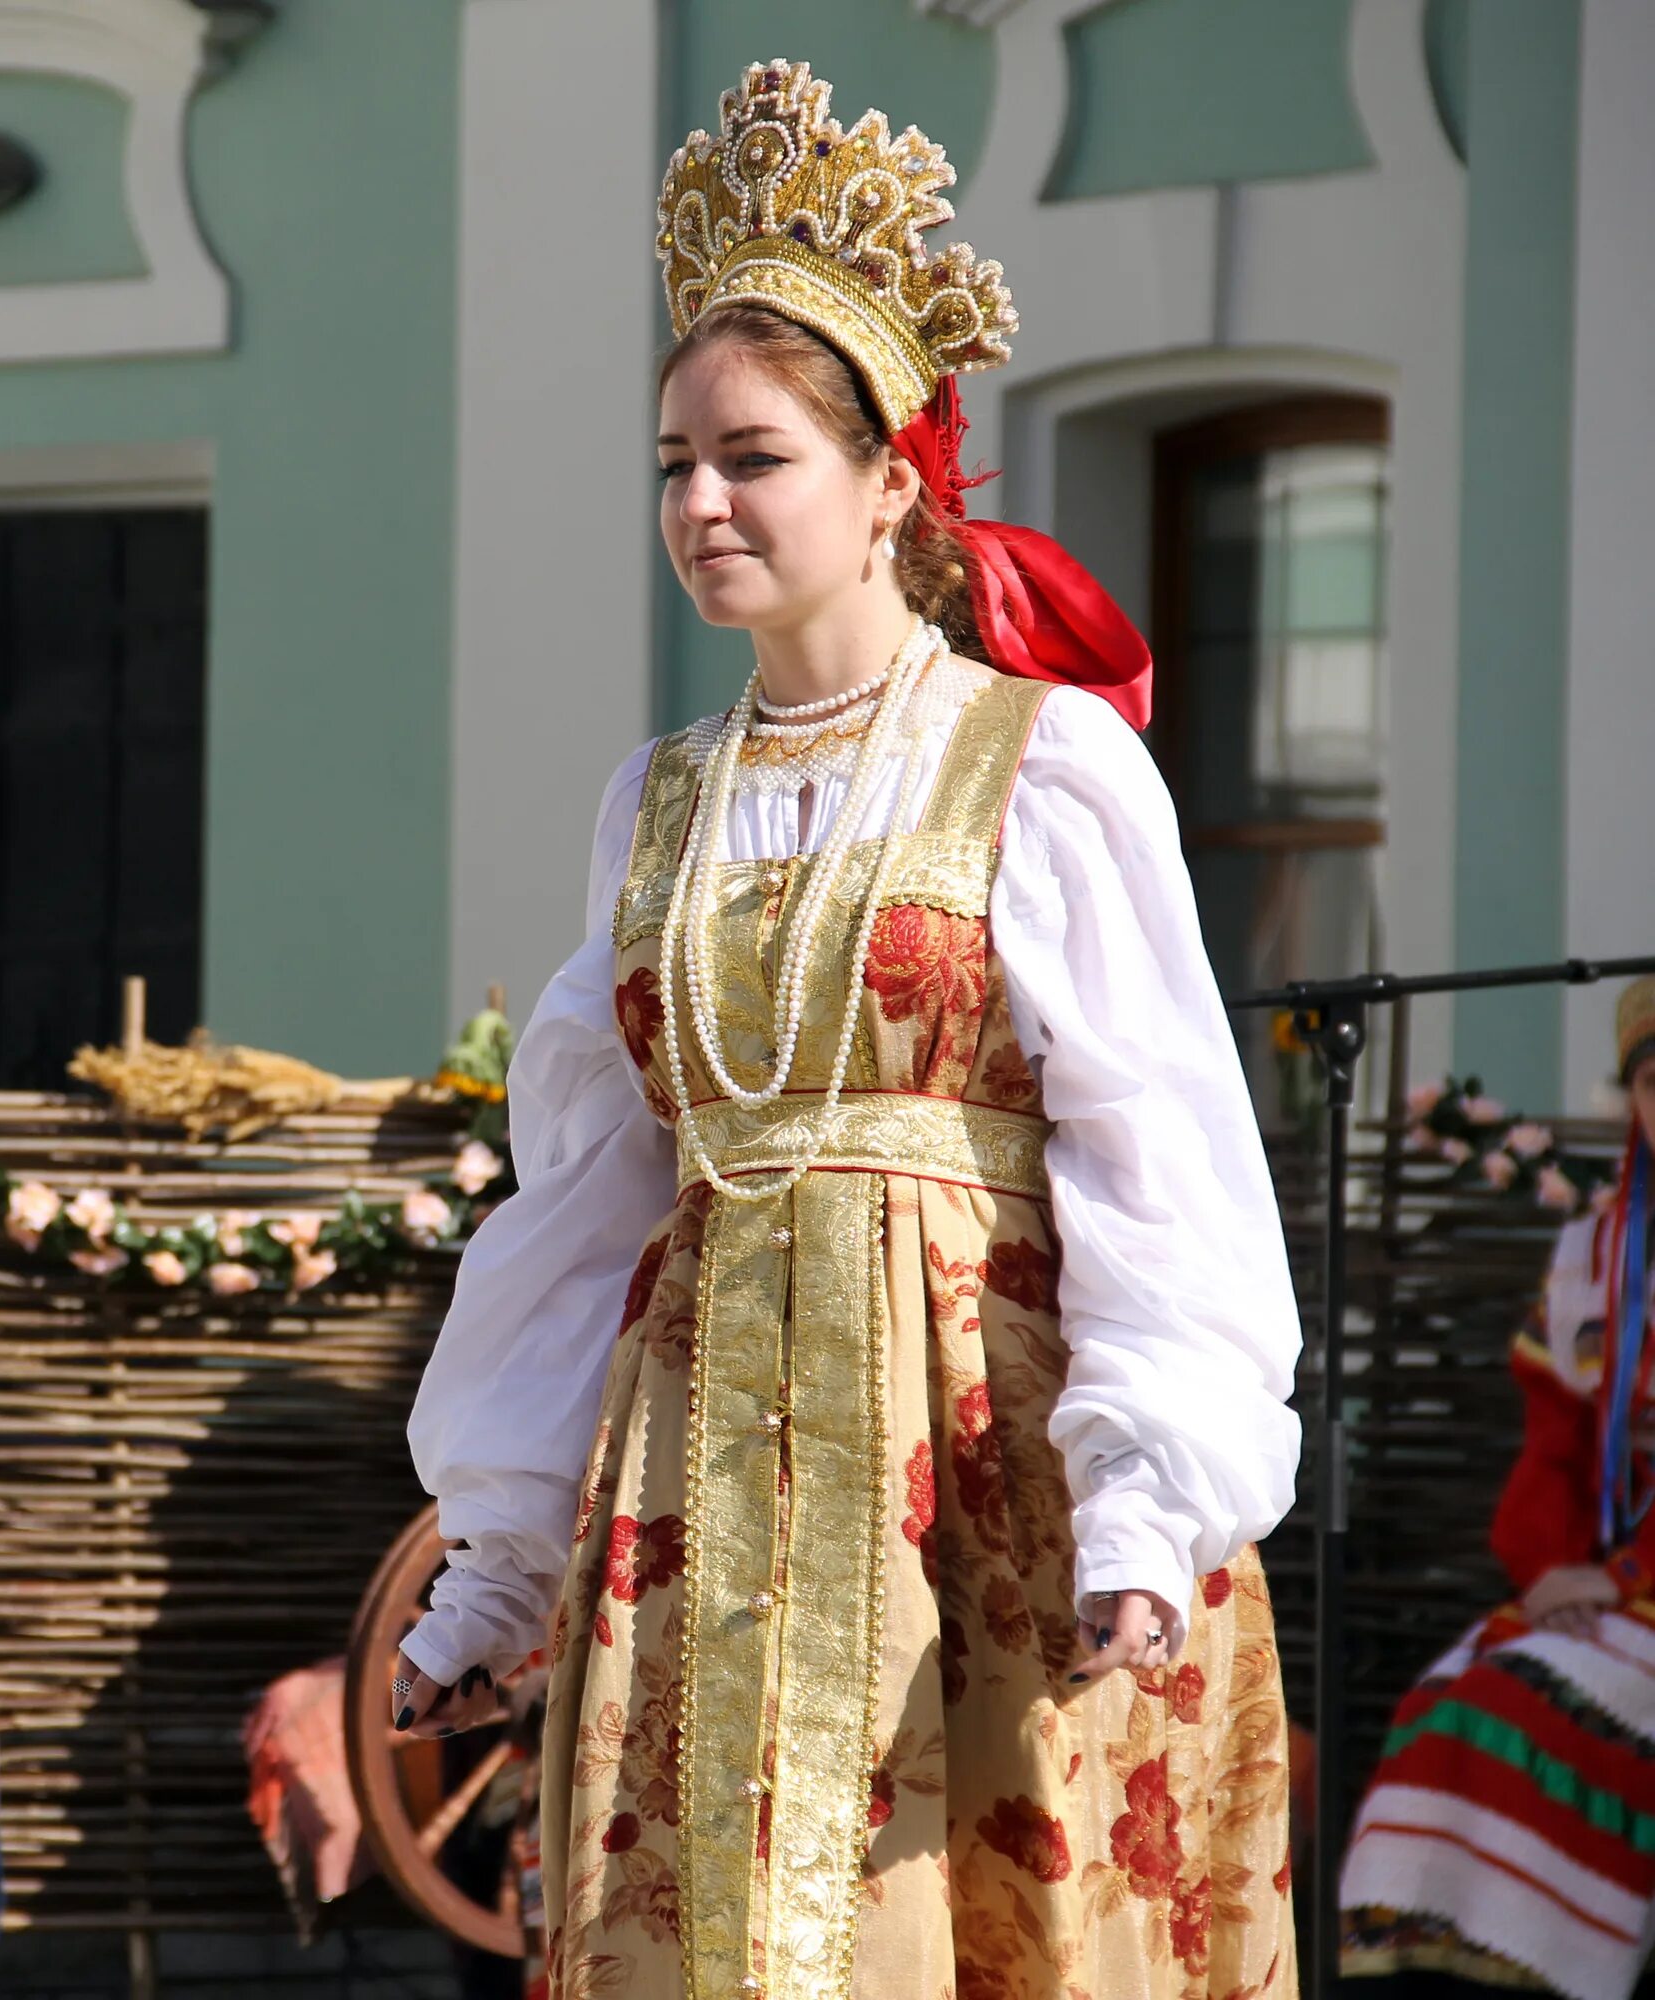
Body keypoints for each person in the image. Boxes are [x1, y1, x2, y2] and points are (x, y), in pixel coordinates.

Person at [393, 62, 1302, 1999]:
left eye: (752, 456)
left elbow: (1157, 1137)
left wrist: (1146, 1492)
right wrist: (506, 1538)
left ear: (891, 478)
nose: (700, 501)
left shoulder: (1043, 766)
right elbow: (594, 1183)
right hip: (705, 1450)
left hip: (980, 1456)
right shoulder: (658, 795)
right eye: (672, 461)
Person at [1338, 978, 1655, 2000]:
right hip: (1612, 1583)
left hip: (1641, 1588)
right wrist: (1557, 1564)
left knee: (1539, 1703)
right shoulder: (1598, 1253)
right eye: (1653, 1080)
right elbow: (1555, 1439)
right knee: (1447, 1698)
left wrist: (1626, 1579)